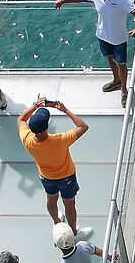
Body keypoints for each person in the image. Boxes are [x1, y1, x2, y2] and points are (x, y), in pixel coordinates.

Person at [53, 0, 135, 94]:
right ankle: (116, 80)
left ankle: (124, 90)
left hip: (118, 39)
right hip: (102, 35)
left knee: (121, 64)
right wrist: (63, 0)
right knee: (109, 58)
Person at [19, 96, 88, 228]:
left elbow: (21, 119)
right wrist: (65, 110)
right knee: (69, 203)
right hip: (67, 177)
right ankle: (73, 232)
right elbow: (83, 126)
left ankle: (57, 222)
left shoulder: (27, 139)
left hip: (46, 177)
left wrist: (34, 106)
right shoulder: (60, 140)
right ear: (46, 127)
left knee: (51, 199)